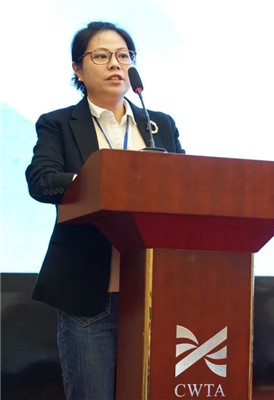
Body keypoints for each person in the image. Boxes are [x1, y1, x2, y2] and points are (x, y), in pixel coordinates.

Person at [25, 21, 184, 399]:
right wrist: (100, 181)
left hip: (153, 295)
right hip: (89, 294)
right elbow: (42, 180)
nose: (116, 64)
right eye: (101, 56)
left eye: (124, 56)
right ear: (77, 69)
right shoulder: (58, 124)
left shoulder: (159, 124)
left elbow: (185, 187)